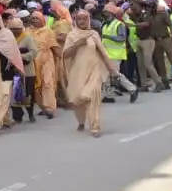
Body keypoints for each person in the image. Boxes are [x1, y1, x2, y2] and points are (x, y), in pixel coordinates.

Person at [63, 10, 121, 138]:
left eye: (85, 18)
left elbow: (102, 52)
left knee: (92, 95)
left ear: (88, 19)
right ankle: (81, 121)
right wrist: (77, 45)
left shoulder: (94, 34)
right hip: (77, 72)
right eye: (79, 19)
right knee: (77, 98)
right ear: (76, 20)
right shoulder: (72, 35)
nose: (82, 21)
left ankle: (95, 127)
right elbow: (65, 54)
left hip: (94, 71)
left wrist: (112, 70)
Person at [0, 13, 26, 136]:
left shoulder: (7, 34)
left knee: (4, 94)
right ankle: (6, 120)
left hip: (7, 70)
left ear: (0, 22)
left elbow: (14, 52)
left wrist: (19, 67)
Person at [29, 11, 58, 119]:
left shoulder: (48, 31)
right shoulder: (27, 31)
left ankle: (50, 107)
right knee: (37, 84)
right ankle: (43, 107)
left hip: (46, 59)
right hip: (32, 61)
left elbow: (54, 46)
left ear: (42, 20)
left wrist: (61, 57)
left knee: (48, 82)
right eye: (33, 18)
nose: (34, 20)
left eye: (37, 18)